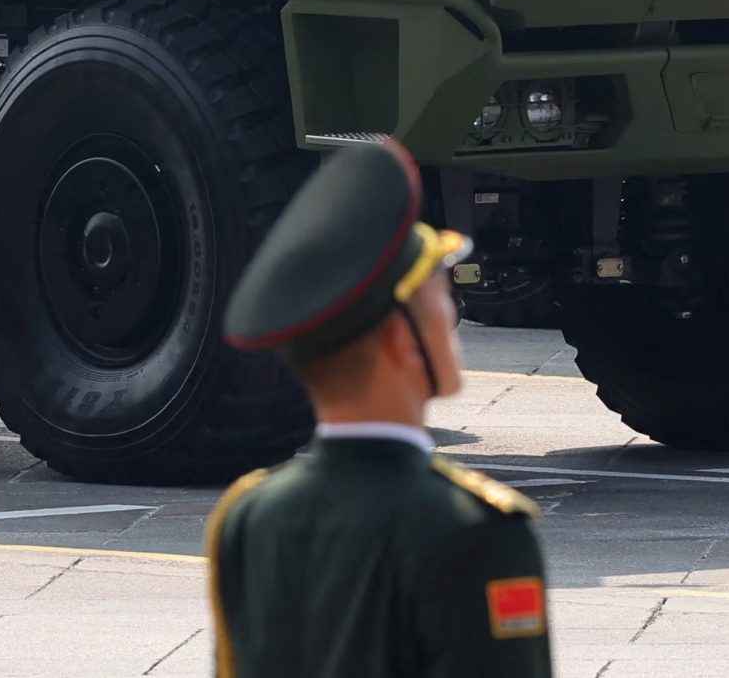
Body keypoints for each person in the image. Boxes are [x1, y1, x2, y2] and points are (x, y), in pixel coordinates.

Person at [206, 137, 552, 678]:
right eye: (439, 292)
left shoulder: (249, 519)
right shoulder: (476, 531)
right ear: (399, 339)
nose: (452, 313)